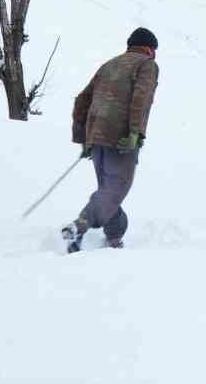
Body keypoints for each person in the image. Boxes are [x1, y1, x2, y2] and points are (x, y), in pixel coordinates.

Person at [62, 27, 159, 252]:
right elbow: (141, 99)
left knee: (108, 190)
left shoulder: (108, 65)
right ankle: (80, 225)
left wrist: (83, 139)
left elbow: (81, 100)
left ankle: (114, 236)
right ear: (149, 48)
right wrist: (135, 132)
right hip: (121, 139)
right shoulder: (147, 64)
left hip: (96, 137)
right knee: (115, 189)